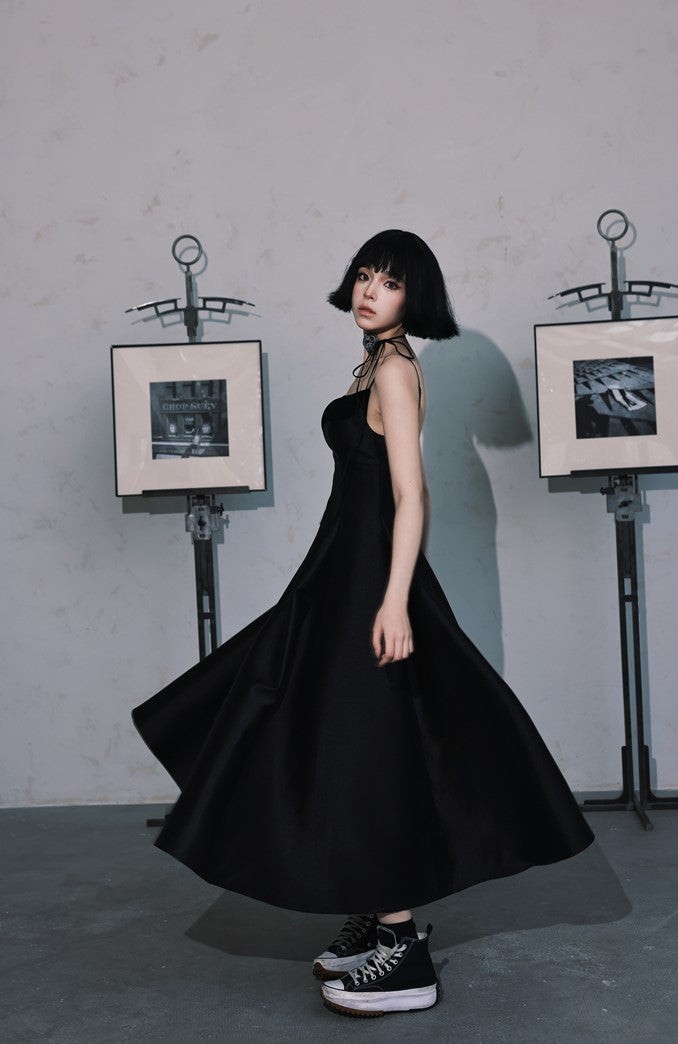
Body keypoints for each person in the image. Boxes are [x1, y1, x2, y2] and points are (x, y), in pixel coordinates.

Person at [132, 229, 594, 1018]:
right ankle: (375, 912)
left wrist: (392, 600)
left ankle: (403, 948)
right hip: (340, 574)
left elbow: (411, 496)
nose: (369, 291)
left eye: (389, 281)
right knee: (317, 726)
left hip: (372, 583)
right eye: (364, 276)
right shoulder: (376, 363)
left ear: (418, 296)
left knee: (367, 746)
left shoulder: (396, 370)